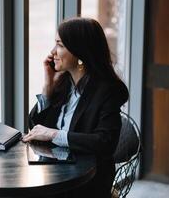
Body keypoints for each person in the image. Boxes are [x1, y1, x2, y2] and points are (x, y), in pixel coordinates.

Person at [22, 17, 129, 198]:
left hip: (86, 181)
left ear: (80, 52)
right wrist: (47, 89)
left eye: (60, 45)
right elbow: (35, 127)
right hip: (56, 172)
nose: (52, 52)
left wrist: (54, 134)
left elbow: (105, 143)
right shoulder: (64, 82)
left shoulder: (109, 90)